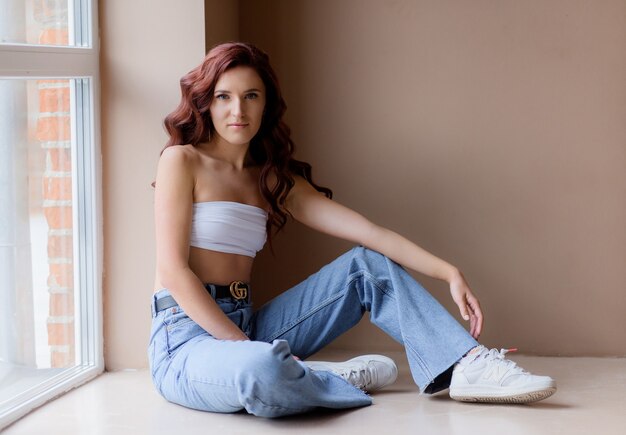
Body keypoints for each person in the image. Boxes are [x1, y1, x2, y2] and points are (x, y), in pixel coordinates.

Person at [148, 42, 556, 418]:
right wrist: (243, 346)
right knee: (259, 370)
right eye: (224, 97)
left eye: (250, 96)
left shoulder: (271, 180)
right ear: (207, 102)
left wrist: (449, 272)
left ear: (266, 105)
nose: (238, 110)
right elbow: (173, 272)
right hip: (187, 339)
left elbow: (369, 232)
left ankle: (462, 364)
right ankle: (326, 377)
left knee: (365, 266)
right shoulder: (182, 162)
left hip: (248, 324)